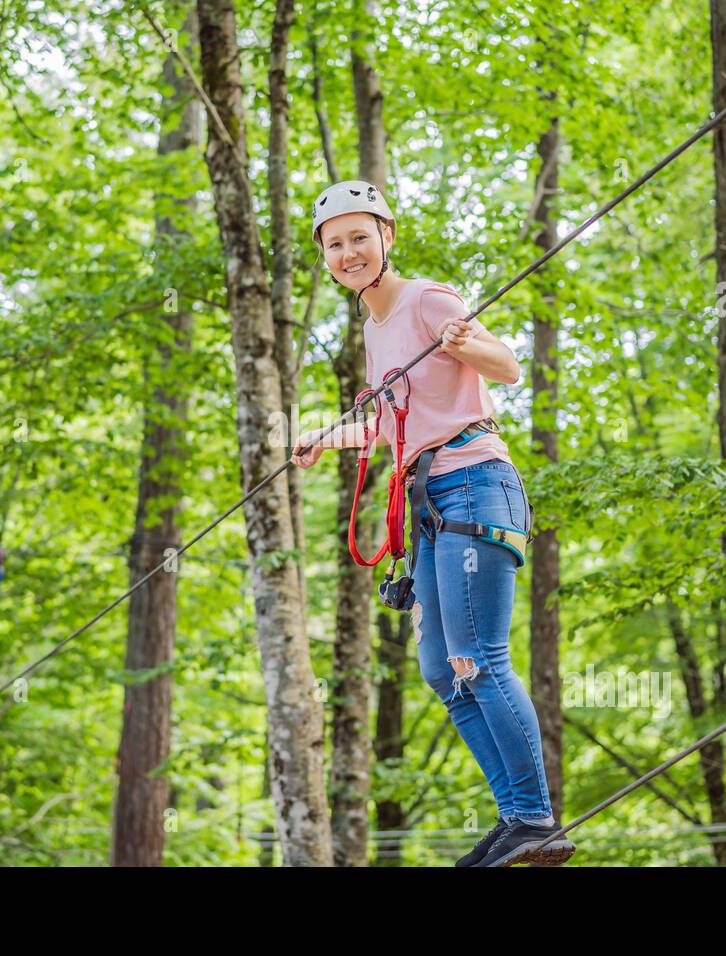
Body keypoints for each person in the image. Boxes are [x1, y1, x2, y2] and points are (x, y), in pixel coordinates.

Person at [291, 180, 575, 867]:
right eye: (336, 243)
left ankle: (535, 816)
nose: (349, 251)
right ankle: (517, 816)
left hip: (475, 483)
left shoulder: (427, 299)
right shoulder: (373, 327)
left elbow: (505, 367)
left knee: (478, 657)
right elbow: (396, 424)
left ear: (388, 236)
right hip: (430, 499)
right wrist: (328, 440)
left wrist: (465, 342)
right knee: (441, 670)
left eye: (361, 236)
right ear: (325, 258)